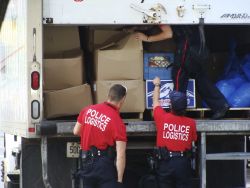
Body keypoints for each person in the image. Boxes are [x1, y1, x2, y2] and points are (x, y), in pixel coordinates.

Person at [134, 24, 230, 119]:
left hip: (186, 46)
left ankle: (177, 114)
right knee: (200, 76)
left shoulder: (160, 12)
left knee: (179, 76)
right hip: (196, 45)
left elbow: (168, 33)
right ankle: (220, 105)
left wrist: (147, 38)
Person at [73, 84, 127, 188]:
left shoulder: (87, 110)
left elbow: (76, 131)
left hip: (86, 161)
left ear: (109, 96)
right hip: (103, 163)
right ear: (122, 99)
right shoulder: (117, 121)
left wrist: (90, 134)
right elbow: (121, 154)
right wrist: (119, 181)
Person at [152, 76, 197, 188]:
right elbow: (193, 139)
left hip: (166, 162)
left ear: (171, 106)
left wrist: (157, 85)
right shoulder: (191, 123)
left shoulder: (163, 118)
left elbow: (155, 102)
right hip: (182, 163)